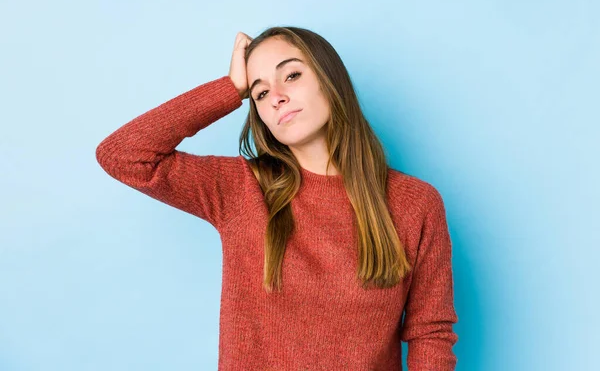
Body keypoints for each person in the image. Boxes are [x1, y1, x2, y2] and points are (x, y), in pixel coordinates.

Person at [96, 26, 459, 370]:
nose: (277, 97)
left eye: (292, 75)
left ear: (329, 79)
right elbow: (123, 156)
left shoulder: (415, 203)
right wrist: (228, 89)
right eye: (261, 93)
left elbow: (431, 334)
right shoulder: (239, 189)